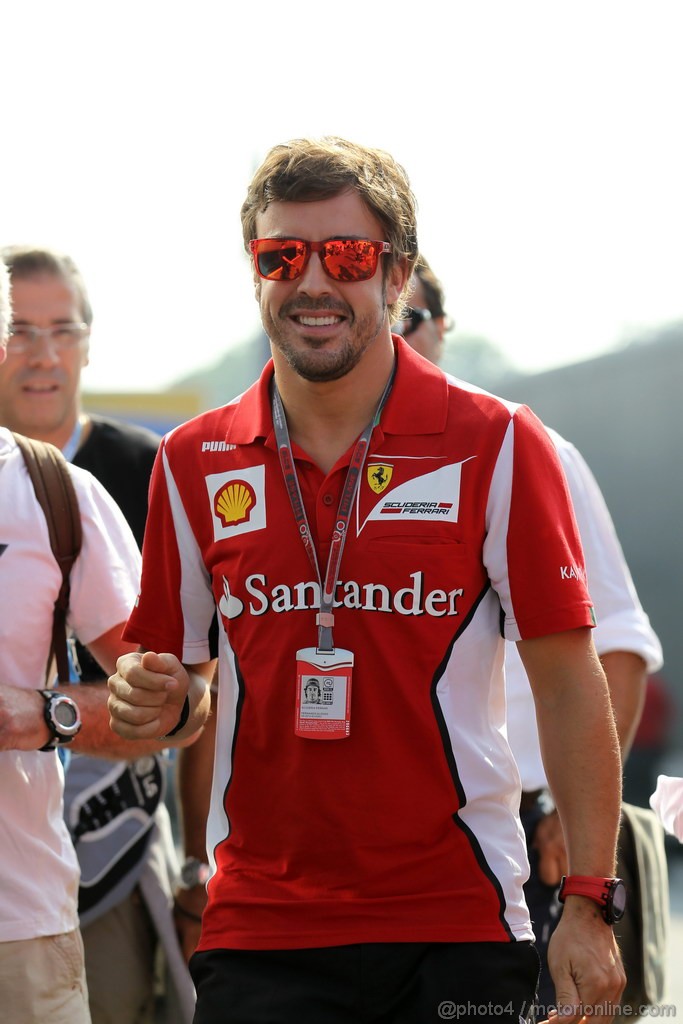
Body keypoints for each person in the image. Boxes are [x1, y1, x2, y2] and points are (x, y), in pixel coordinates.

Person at [108, 136, 626, 1024]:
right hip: (261, 931)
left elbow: (570, 686)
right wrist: (150, 698)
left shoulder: (497, 441)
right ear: (256, 271)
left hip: (457, 919)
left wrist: (588, 901)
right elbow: (185, 688)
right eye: (282, 256)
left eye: (346, 256)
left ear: (396, 274)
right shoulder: (193, 460)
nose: (312, 283)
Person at [401, 256, 665, 1012]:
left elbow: (615, 648)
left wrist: (573, 822)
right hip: (374, 844)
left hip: (518, 835)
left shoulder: (527, 450)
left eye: (410, 320)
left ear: (444, 331)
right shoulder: (318, 467)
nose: (396, 339)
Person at [0, 245, 196, 1024]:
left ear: (89, 341)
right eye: (23, 329)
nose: (44, 354)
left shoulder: (121, 475)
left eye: (62, 330)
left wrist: (207, 857)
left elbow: (190, 694)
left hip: (108, 835)